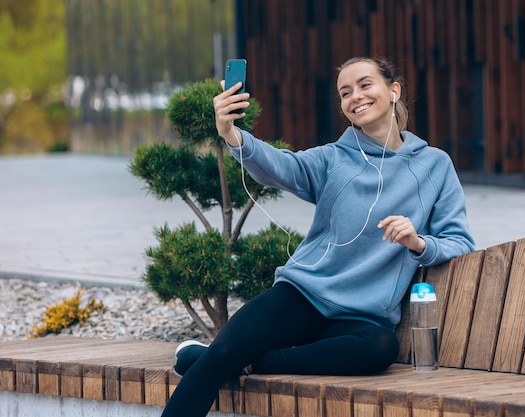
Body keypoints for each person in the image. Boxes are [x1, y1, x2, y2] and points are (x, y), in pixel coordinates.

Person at [160, 56, 475, 417]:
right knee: (223, 353)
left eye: (365, 85)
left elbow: (460, 241)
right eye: (345, 92)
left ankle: (251, 362)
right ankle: (228, 358)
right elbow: (280, 165)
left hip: (362, 317)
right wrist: (231, 133)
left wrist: (418, 242)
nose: (355, 96)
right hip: (300, 296)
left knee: (380, 348)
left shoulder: (434, 164)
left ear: (393, 90)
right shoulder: (333, 159)